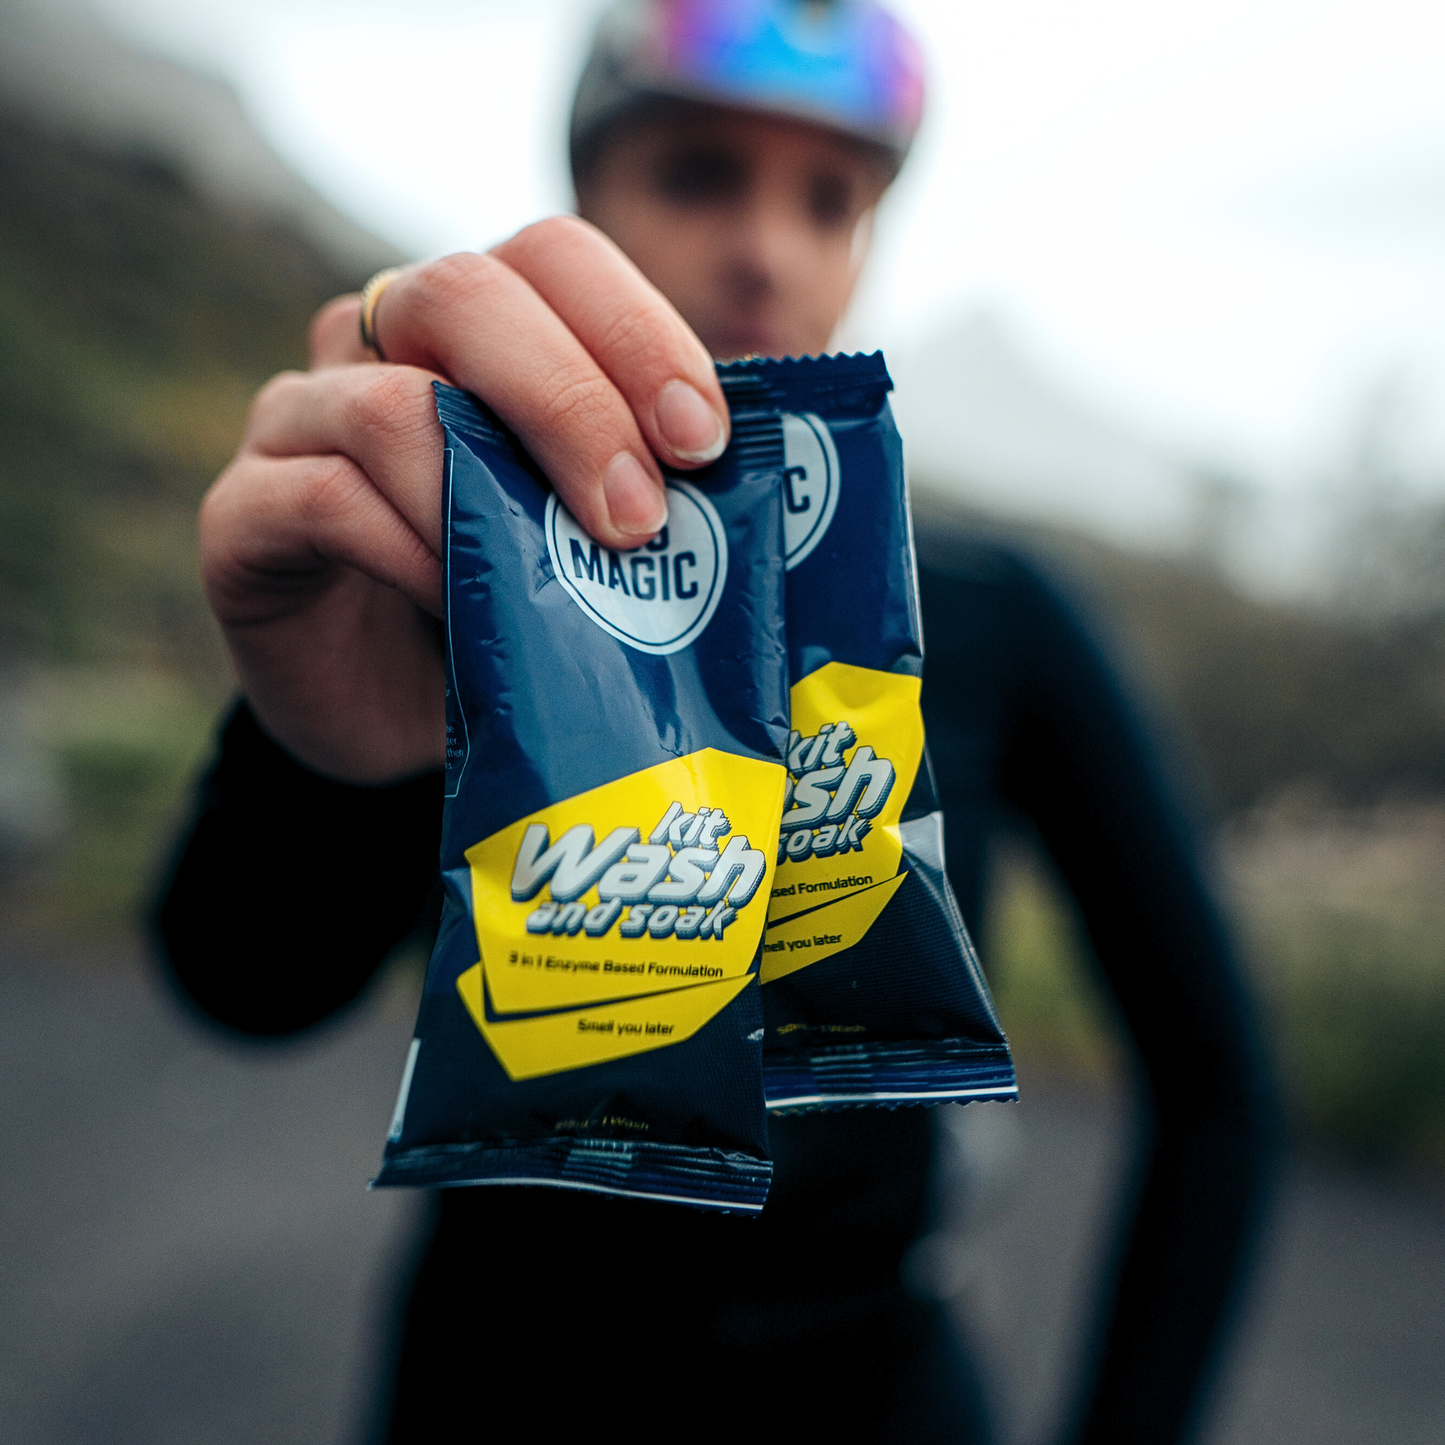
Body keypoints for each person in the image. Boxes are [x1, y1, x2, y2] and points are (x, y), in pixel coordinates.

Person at [154, 3, 1273, 1441]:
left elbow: (1220, 1087)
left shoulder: (995, 614)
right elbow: (244, 985)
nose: (770, 246)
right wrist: (321, 746)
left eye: (834, 197)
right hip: (495, 1387)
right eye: (697, 173)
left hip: (876, 1393)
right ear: (586, 199)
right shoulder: (452, 567)